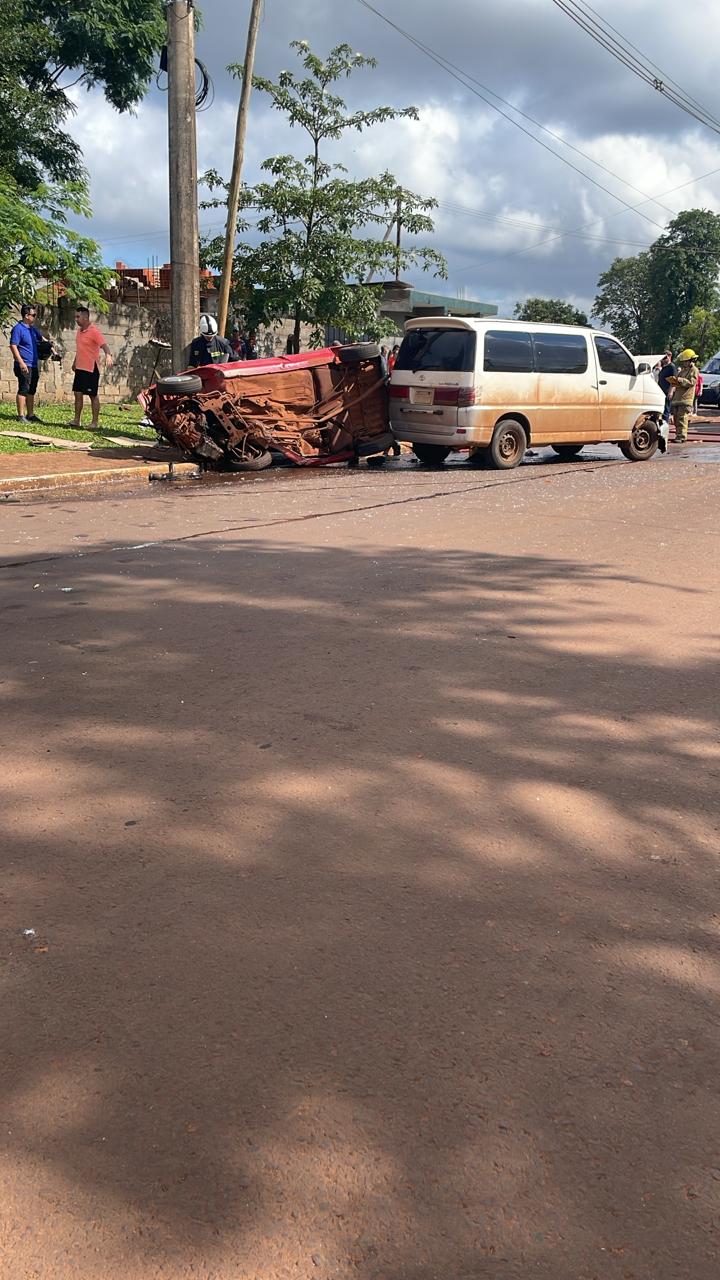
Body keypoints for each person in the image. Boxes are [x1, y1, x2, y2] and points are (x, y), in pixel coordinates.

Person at [9, 303, 54, 425]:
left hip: (33, 364)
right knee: (23, 389)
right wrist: (21, 362)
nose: (35, 317)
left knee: (31, 390)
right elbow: (13, 346)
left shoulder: (32, 329)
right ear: (26, 316)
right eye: (33, 315)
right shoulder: (18, 329)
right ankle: (21, 415)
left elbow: (42, 339)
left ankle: (31, 414)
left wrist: (52, 349)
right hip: (24, 364)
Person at [68, 306, 113, 428]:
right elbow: (80, 349)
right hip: (80, 368)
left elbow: (104, 345)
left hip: (91, 369)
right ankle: (77, 420)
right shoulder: (79, 331)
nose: (76, 319)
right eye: (75, 316)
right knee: (77, 394)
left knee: (93, 395)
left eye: (78, 317)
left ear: (86, 317)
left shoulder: (94, 331)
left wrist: (108, 356)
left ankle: (94, 422)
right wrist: (74, 362)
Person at [668, 348, 700, 444]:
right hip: (678, 398)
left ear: (691, 361)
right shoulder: (683, 370)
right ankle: (678, 435)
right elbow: (678, 380)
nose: (684, 363)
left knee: (682, 418)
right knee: (676, 419)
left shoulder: (694, 370)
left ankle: (681, 437)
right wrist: (674, 380)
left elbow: (692, 382)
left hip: (686, 399)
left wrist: (681, 380)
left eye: (685, 362)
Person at [656, 351, 676, 423]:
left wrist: (671, 392)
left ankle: (665, 424)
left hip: (667, 391)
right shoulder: (664, 367)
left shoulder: (671, 367)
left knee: (666, 410)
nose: (663, 359)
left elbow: (673, 381)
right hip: (661, 391)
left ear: (670, 356)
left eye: (665, 357)